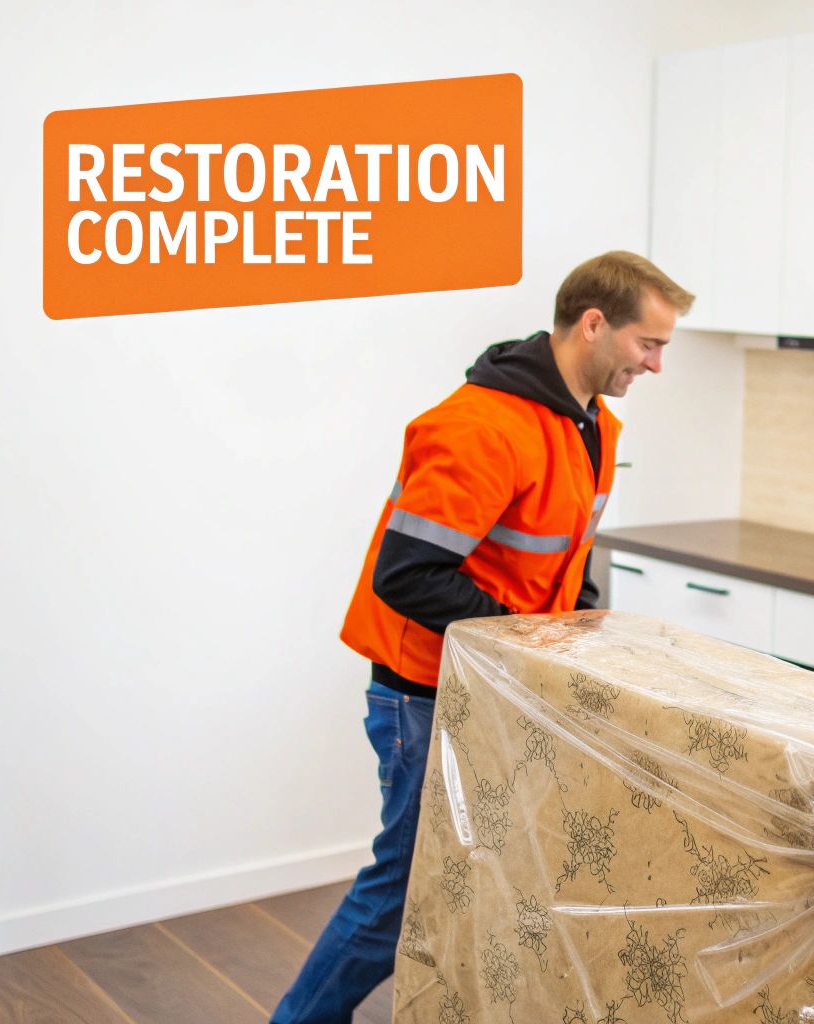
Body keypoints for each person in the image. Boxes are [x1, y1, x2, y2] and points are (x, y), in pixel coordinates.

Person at [272, 251, 694, 1023]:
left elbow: (568, 555)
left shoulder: (593, 425)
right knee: (403, 888)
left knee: (475, 879)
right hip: (423, 696)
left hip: (497, 691)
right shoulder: (481, 427)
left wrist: (578, 634)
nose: (657, 364)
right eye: (649, 343)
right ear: (594, 325)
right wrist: (531, 641)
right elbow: (407, 574)